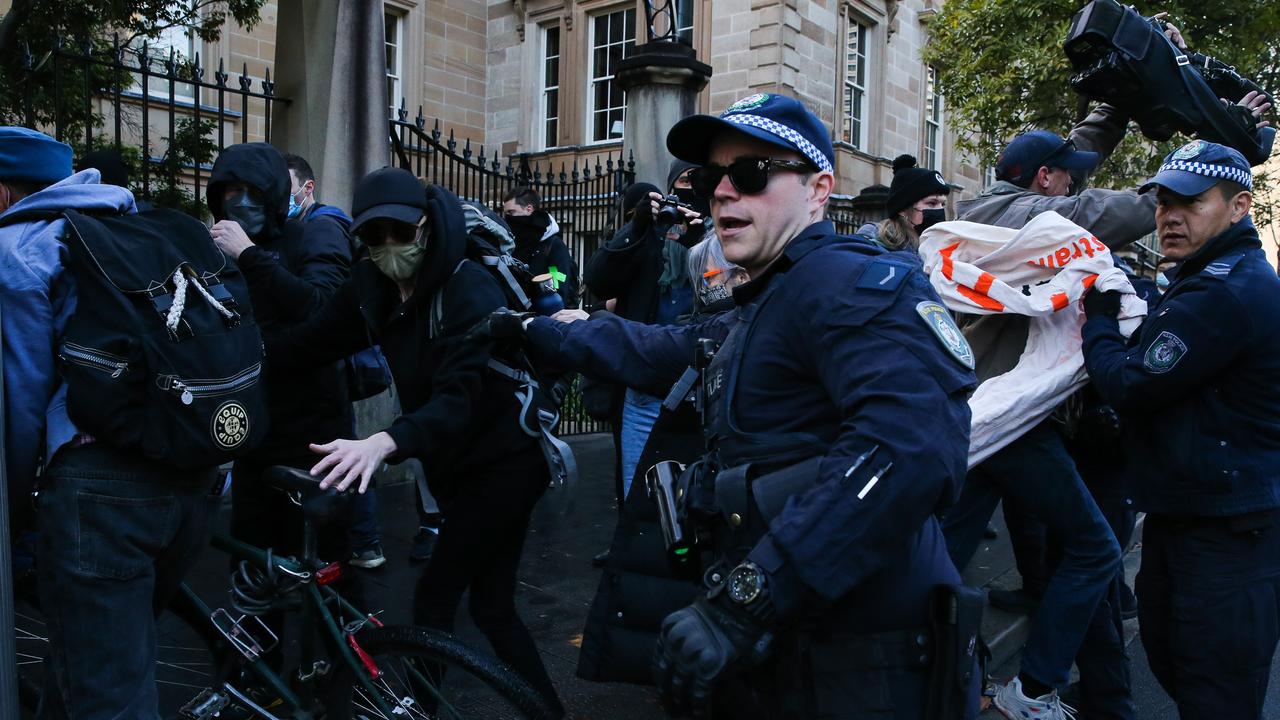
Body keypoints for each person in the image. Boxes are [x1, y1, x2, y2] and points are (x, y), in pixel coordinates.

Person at [513, 92, 979, 719]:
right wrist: (545, 330)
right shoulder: (769, 295)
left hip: (862, 665)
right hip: (791, 653)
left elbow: (909, 449)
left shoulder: (847, 282)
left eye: (752, 173)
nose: (724, 192)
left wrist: (748, 600)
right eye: (712, 178)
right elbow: (670, 349)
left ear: (819, 190)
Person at [264, 166, 564, 716]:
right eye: (373, 237)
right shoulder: (372, 285)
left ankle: (422, 709)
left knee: (436, 598)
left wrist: (383, 443)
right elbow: (309, 342)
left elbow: (456, 402)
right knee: (493, 606)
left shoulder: (467, 285)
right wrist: (234, 367)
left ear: (426, 226)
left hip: (505, 464)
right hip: (459, 466)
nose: (387, 248)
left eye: (399, 234)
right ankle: (544, 710)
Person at [0, 127, 218, 718]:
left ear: (2, 192)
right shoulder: (136, 221)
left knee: (109, 695)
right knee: (90, 662)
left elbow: (23, 395)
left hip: (101, 492)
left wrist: (16, 507)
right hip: (193, 472)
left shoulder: (19, 247)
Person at [1082, 140, 1280, 720]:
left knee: (1214, 688)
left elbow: (1132, 384)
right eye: (1164, 201)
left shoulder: (1224, 290)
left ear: (1239, 206)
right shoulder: (1203, 280)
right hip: (1191, 513)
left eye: (1190, 203)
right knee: (1174, 656)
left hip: (1227, 532)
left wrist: (1096, 323)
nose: (1169, 215)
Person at [207, 144, 356, 575]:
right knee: (254, 564)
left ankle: (348, 642)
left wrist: (250, 256)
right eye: (230, 190)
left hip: (314, 435)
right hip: (251, 434)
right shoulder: (216, 250)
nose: (240, 199)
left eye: (252, 189)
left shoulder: (309, 235)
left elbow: (320, 306)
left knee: (326, 564)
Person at [281, 152, 390, 570]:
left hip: (332, 370)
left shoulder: (322, 226)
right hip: (329, 366)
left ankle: (363, 542)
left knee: (342, 453)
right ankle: (361, 542)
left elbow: (320, 305)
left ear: (307, 187)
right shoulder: (308, 227)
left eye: (287, 189)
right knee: (341, 452)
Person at [585, 160, 707, 505]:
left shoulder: (717, 229)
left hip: (699, 386)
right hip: (646, 383)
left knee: (693, 493)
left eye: (700, 180)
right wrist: (638, 229)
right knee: (636, 487)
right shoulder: (649, 237)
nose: (691, 190)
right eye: (684, 181)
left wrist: (701, 236)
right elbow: (597, 279)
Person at [501, 186, 580, 310]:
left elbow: (557, 284)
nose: (507, 218)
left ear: (529, 209)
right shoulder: (512, 243)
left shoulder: (552, 246)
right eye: (505, 213)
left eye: (511, 212)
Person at [877, 154, 950, 251]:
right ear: (903, 209)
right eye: (932, 203)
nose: (940, 210)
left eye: (943, 204)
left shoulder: (944, 249)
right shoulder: (876, 248)